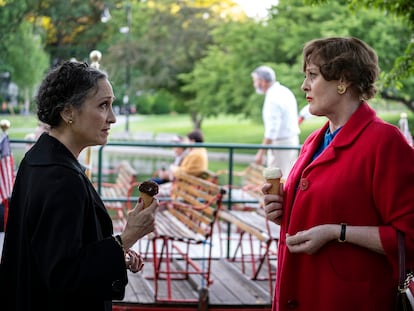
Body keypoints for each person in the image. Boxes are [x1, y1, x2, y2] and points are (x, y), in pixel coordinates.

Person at [261, 37, 414, 311]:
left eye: (313, 75)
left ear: (343, 80)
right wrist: (282, 209)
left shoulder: (385, 142)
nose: (304, 85)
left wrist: (337, 233)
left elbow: (409, 237)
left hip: (346, 299)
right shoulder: (314, 140)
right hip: (300, 292)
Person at [0, 60, 158, 311]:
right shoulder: (60, 179)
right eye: (103, 105)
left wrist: (117, 253)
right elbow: (63, 275)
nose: (113, 118)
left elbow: (55, 251)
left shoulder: (39, 158)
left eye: (112, 105)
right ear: (68, 112)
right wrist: (126, 239)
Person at [251, 65, 300, 179]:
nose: (254, 85)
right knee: (287, 178)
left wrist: (260, 153)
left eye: (255, 81)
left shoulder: (273, 98)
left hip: (281, 145)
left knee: (276, 181)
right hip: (291, 142)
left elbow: (272, 130)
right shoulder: (284, 91)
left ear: (263, 82)